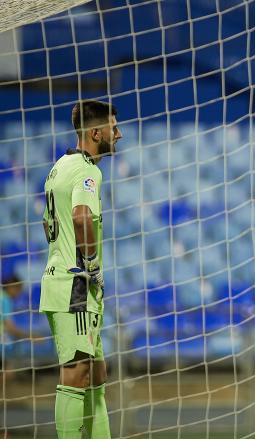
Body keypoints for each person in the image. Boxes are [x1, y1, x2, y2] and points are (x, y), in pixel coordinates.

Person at [40, 100, 121, 438]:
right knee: (76, 374)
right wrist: (91, 265)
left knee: (96, 376)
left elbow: (49, 223)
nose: (119, 134)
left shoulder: (60, 166)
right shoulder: (89, 170)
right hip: (75, 287)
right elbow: (81, 217)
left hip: (68, 284)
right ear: (96, 133)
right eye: (114, 128)